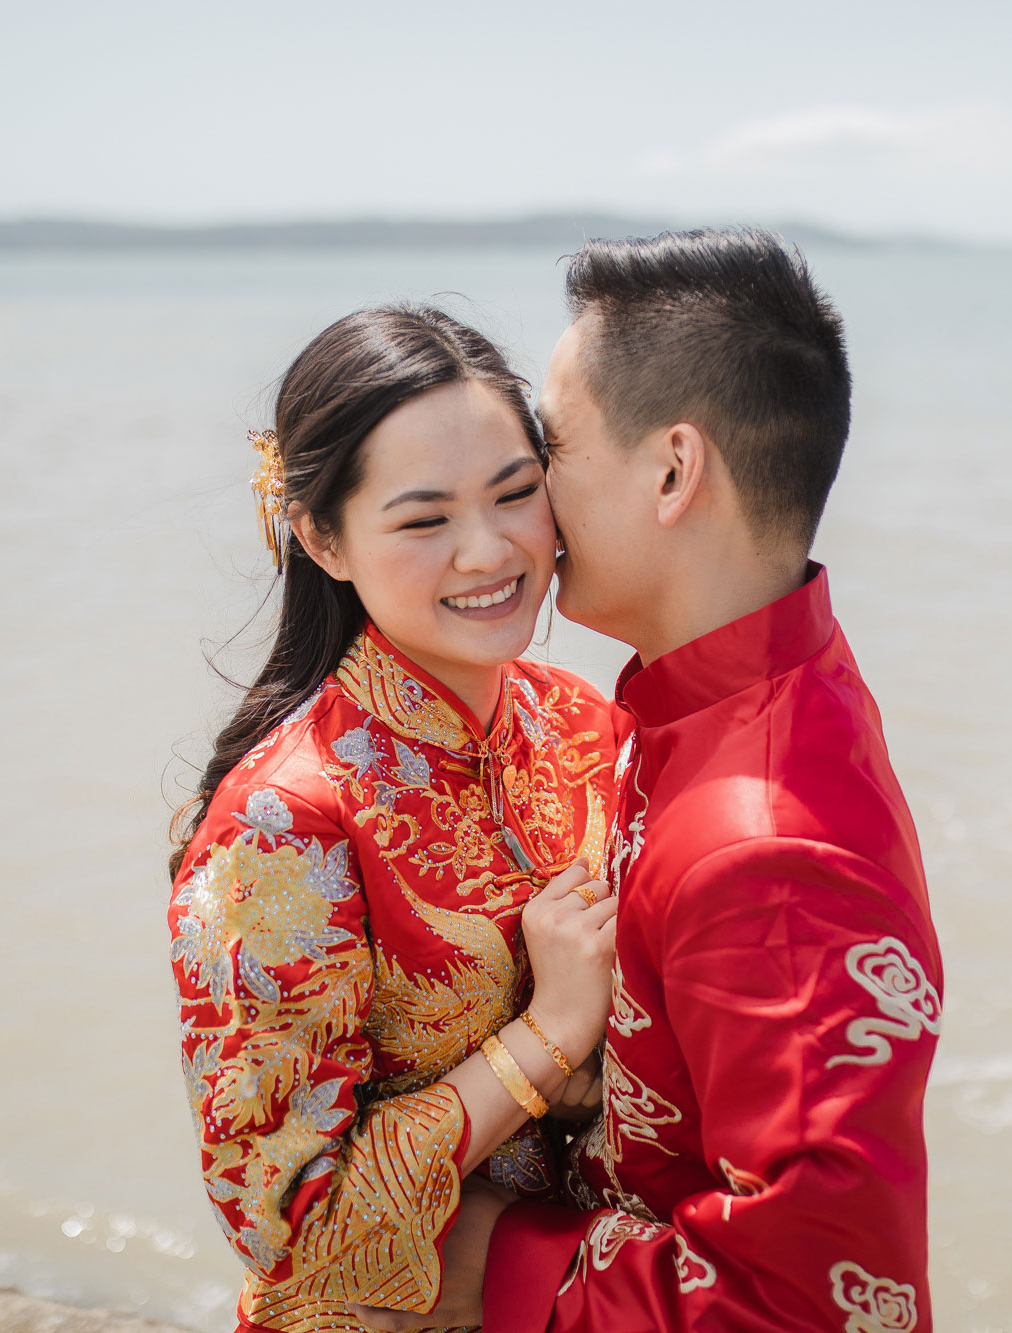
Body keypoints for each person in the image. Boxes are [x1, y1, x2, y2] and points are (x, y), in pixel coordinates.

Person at [374, 227, 944, 1331]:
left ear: (673, 470)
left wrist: (502, 1257)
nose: (529, 490)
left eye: (552, 447)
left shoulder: (767, 847)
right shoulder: (739, 693)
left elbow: (806, 1309)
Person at [166, 305, 624, 1333]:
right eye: (424, 520)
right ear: (322, 537)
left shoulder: (587, 724)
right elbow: (292, 1236)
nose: (487, 550)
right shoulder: (282, 824)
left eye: (515, 494)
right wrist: (548, 1036)